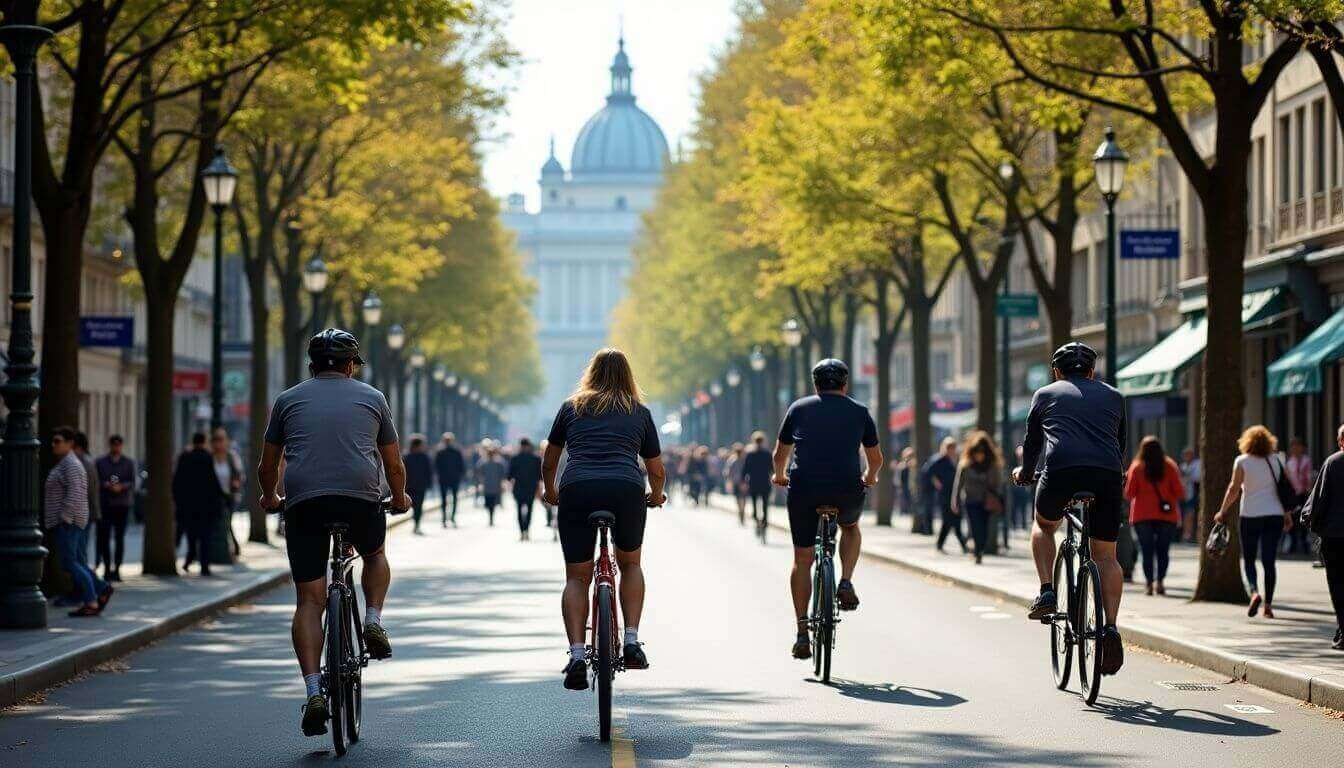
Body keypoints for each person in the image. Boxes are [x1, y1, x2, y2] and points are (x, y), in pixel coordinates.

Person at [257, 328, 410, 737]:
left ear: (311, 366)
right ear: (350, 366)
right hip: (359, 498)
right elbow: (393, 464)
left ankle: (313, 692)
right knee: (374, 554)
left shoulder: (287, 400)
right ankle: (373, 618)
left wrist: (270, 497)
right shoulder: (373, 398)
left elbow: (267, 466)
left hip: (304, 500)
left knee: (309, 599)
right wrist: (400, 498)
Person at [542, 348, 665, 690]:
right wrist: (655, 495)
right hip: (625, 489)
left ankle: (578, 655)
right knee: (630, 564)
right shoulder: (639, 412)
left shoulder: (571, 408)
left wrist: (551, 492)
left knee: (577, 577)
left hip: (578, 488)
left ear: (590, 374)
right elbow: (656, 469)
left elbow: (550, 461)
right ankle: (630, 640)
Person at [1014, 342, 1127, 676]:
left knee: (1044, 525)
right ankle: (1110, 628)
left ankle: (1047, 591)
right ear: (1092, 371)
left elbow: (1033, 443)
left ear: (1056, 372)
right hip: (1107, 473)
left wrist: (1025, 472)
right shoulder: (1115, 396)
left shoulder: (1044, 394)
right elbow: (1120, 445)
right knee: (1106, 556)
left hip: (1061, 470)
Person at [771, 359, 881, 660]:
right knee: (850, 527)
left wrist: (779, 475)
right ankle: (845, 580)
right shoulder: (859, 411)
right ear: (845, 384)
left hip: (805, 489)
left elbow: (780, 454)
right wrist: (869, 478)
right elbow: (876, 458)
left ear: (815, 384)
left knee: (802, 558)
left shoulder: (799, 408)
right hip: (846, 487)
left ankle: (802, 632)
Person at [1215, 425, 1294, 619]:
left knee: (1249, 559)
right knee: (1269, 561)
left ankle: (1254, 592)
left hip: (1250, 514)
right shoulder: (1276, 460)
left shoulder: (1242, 461)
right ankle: (1268, 606)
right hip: (1274, 514)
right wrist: (1287, 514)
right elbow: (1283, 488)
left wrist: (1222, 510)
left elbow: (1234, 489)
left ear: (1246, 441)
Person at [45, 427, 112, 617]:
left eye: (58, 441)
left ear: (70, 443)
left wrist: (65, 519)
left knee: (70, 562)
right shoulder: (67, 463)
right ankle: (101, 588)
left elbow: (75, 494)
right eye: (53, 441)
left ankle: (91, 601)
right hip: (70, 521)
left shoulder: (71, 464)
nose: (53, 445)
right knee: (74, 562)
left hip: (70, 522)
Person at [1300, 423, 1344, 650]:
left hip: (1335, 535)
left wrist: (1309, 520)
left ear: (1340, 441)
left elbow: (1319, 497)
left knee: (1337, 584)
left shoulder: (1333, 462)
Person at [1124, 436, 1183, 595]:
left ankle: (1149, 583)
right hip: (1166, 515)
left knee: (1146, 550)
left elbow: (1129, 493)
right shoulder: (1169, 466)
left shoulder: (1136, 467)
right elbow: (1180, 492)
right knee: (1163, 550)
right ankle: (1161, 582)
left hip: (1142, 515)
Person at [174, 432, 225, 575]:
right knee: (205, 537)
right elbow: (213, 481)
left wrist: (178, 502)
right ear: (204, 442)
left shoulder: (185, 457)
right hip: (205, 505)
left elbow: (177, 481)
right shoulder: (207, 457)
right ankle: (204, 566)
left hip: (188, 505)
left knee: (191, 535)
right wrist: (222, 497)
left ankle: (189, 559)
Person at [951, 431, 1005, 565]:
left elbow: (998, 483)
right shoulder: (965, 465)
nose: (979, 456)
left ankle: (980, 548)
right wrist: (954, 501)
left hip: (986, 501)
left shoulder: (992, 466)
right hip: (970, 500)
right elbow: (958, 484)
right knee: (974, 526)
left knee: (984, 528)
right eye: (977, 453)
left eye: (982, 453)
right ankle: (977, 551)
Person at [95, 435, 135, 582]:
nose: (116, 447)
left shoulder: (128, 463)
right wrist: (107, 485)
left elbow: (131, 482)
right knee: (104, 538)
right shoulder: (100, 462)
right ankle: (106, 568)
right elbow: (97, 481)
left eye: (118, 445)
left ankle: (117, 569)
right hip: (106, 504)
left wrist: (121, 486)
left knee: (119, 538)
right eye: (114, 445)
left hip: (122, 504)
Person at [925, 438, 966, 553]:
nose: (952, 450)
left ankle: (941, 544)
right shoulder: (939, 460)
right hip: (945, 495)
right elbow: (928, 472)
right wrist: (936, 483)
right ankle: (963, 544)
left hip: (955, 494)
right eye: (950, 448)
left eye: (953, 448)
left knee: (950, 521)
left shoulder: (957, 459)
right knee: (951, 519)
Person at [211, 428, 245, 557]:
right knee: (221, 523)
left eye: (221, 439)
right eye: (216, 440)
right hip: (215, 496)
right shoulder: (210, 457)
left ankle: (232, 549)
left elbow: (239, 474)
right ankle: (231, 549)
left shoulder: (231, 456)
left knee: (227, 522)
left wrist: (236, 483)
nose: (219, 443)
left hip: (229, 496)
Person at [72, 432, 101, 578]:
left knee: (79, 555)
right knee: (79, 554)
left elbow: (88, 493)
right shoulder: (84, 462)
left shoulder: (83, 464)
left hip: (82, 516)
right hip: (84, 515)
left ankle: (96, 587)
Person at [509, 438, 544, 540]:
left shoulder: (515, 458)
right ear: (529, 446)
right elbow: (540, 475)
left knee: (519, 510)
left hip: (518, 488)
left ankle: (521, 531)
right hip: (531, 488)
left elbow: (509, 475)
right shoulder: (536, 459)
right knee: (529, 510)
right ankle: (527, 531)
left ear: (520, 445)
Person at [1286, 437, 1314, 555]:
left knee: (1304, 519)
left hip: (1303, 494)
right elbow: (1287, 479)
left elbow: (1308, 477)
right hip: (1293, 495)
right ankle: (1293, 543)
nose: (1296, 449)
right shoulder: (1289, 462)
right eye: (1293, 446)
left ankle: (1304, 543)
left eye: (1298, 446)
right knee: (1292, 518)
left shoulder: (1306, 460)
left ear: (1302, 448)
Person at [743, 432, 774, 533]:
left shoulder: (750, 454)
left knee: (754, 503)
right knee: (765, 504)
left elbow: (745, 469)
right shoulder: (767, 454)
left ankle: (757, 520)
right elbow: (772, 469)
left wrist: (743, 481)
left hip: (754, 482)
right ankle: (764, 521)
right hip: (765, 482)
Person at [404, 435, 434, 534]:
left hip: (419, 486)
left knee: (418, 507)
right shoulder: (407, 457)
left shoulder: (424, 457)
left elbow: (429, 471)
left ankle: (416, 524)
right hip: (411, 486)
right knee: (413, 506)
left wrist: (429, 483)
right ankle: (416, 522)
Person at [435, 432, 465, 527]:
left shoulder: (441, 452)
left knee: (448, 499)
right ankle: (448, 518)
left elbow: (436, 466)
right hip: (451, 478)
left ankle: (448, 518)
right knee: (450, 499)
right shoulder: (453, 452)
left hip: (447, 478)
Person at [478, 442, 507, 525]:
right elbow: (479, 473)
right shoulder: (483, 463)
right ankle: (490, 515)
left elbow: (503, 474)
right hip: (488, 486)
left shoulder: (499, 463)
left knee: (492, 503)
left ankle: (491, 517)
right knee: (488, 502)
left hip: (494, 486)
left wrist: (502, 483)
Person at [1179, 447, 1202, 542]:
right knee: (1184, 515)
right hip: (1183, 494)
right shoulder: (1182, 466)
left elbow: (1197, 478)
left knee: (1190, 514)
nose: (1186, 457)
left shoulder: (1197, 464)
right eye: (1185, 455)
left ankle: (1190, 535)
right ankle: (1185, 534)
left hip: (1194, 494)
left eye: (1188, 455)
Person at [727, 443, 748, 524]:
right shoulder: (742, 460)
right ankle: (741, 510)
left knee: (739, 498)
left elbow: (728, 473)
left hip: (739, 482)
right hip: (743, 482)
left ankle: (741, 510)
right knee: (742, 498)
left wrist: (729, 482)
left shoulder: (732, 460)